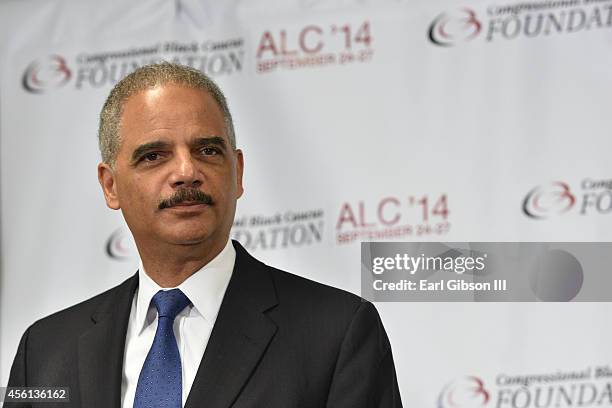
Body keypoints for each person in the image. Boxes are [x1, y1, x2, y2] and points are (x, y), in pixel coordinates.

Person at [4, 62, 402, 408]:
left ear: (238, 172)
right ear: (110, 185)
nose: (186, 171)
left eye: (208, 151)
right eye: (154, 156)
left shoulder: (336, 332)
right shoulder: (43, 351)